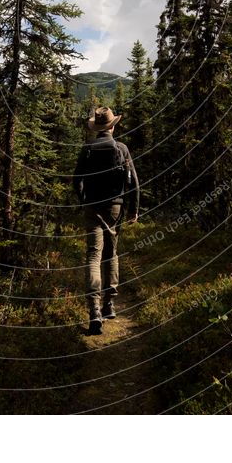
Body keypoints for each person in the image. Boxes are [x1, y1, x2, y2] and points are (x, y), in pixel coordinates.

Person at [72, 106, 139, 334]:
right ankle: (110, 304)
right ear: (112, 125)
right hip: (115, 208)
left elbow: (76, 179)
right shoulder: (121, 148)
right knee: (111, 254)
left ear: (97, 127)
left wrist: (83, 201)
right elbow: (133, 183)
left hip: (92, 207)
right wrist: (133, 210)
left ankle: (94, 311)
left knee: (93, 255)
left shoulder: (87, 148)